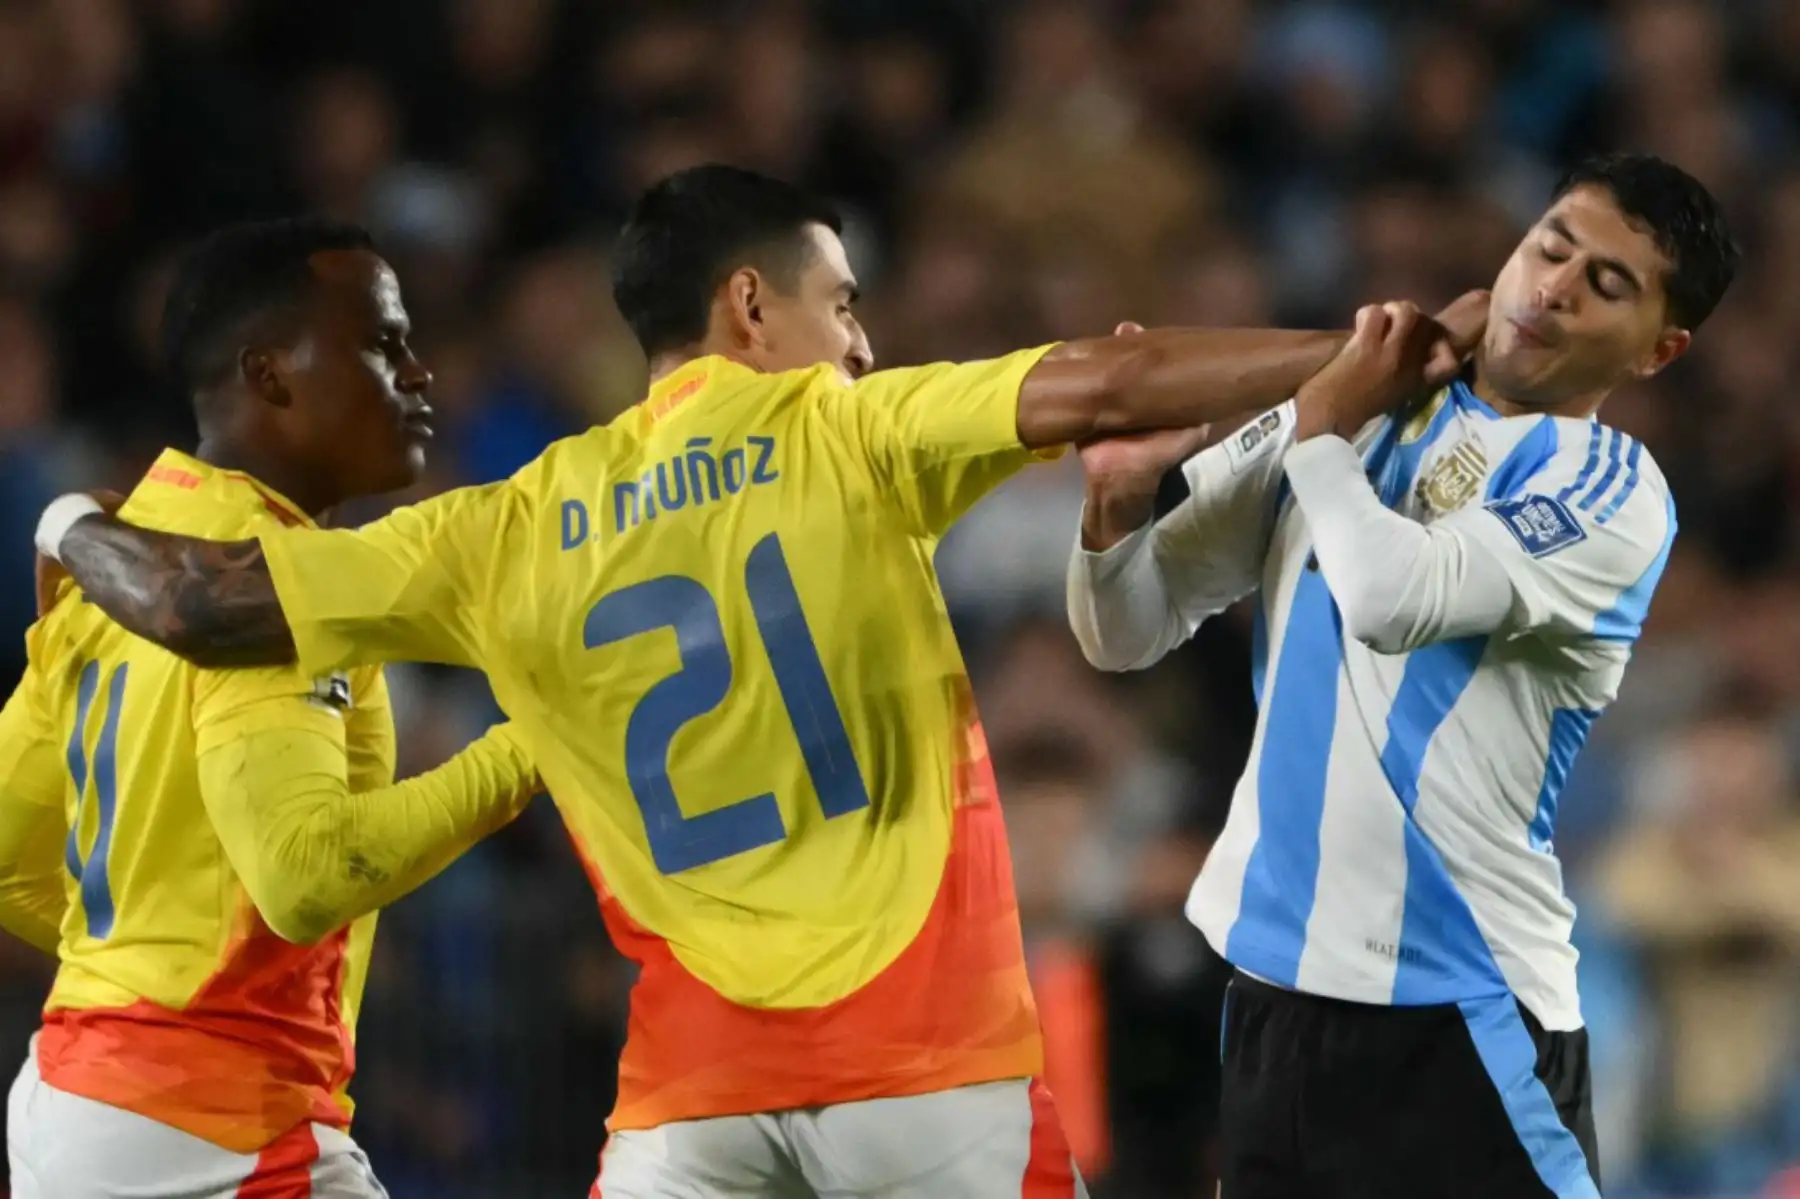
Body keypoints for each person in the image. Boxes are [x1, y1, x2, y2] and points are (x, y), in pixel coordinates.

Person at [33, 165, 1480, 1198]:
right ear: (749, 306)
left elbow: (199, 602)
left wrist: (66, 522)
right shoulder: (852, 430)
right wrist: (1367, 357)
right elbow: (1117, 381)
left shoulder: (509, 522)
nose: (860, 338)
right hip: (933, 1073)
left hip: (692, 1105)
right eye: (841, 302)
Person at [1066, 152, 1739, 1198]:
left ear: (1661, 348)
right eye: (1549, 247)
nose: (1554, 286)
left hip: (1459, 1012)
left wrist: (1322, 413)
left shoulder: (1611, 492)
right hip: (1272, 999)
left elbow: (1392, 595)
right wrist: (1117, 501)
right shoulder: (1368, 410)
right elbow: (1128, 627)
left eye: (1606, 283)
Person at [1, 218, 540, 1198]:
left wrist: (131, 967)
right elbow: (305, 869)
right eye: (382, 342)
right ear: (269, 372)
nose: (418, 374)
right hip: (213, 1123)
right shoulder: (268, 586)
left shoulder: (119, 557)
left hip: (71, 1105)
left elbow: (4, 852)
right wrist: (528, 752)